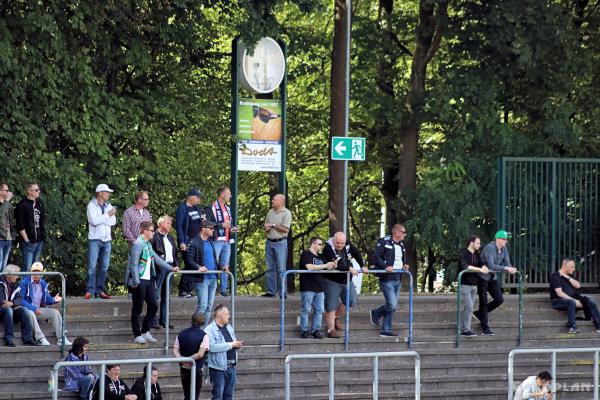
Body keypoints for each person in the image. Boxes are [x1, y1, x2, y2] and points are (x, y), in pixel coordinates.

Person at [126, 221, 178, 344]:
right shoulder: (138, 244)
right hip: (139, 280)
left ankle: (145, 331)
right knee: (137, 308)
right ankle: (137, 334)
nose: (153, 233)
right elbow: (133, 264)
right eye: (151, 230)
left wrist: (171, 268)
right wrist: (136, 281)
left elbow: (158, 259)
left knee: (154, 305)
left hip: (148, 279)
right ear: (144, 231)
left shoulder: (147, 245)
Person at [369, 224, 410, 337]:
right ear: (396, 232)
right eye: (403, 232)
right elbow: (376, 256)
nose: (405, 234)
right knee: (391, 305)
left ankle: (386, 330)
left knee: (393, 306)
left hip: (398, 277)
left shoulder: (402, 245)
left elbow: (399, 260)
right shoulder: (384, 242)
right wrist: (385, 266)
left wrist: (404, 266)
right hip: (387, 278)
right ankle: (375, 313)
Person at [476, 230, 518, 335]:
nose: (506, 242)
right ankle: (485, 328)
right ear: (498, 239)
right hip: (482, 277)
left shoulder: (504, 249)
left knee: (500, 299)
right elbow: (491, 266)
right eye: (504, 239)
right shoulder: (490, 248)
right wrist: (506, 268)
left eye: (506, 240)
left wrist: (511, 268)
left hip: (492, 277)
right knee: (484, 301)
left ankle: (480, 314)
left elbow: (507, 263)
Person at [322, 232, 363, 338]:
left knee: (351, 301)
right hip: (332, 280)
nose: (340, 245)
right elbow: (335, 265)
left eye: (342, 243)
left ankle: (336, 317)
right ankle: (331, 329)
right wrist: (349, 268)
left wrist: (363, 265)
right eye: (337, 243)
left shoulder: (348, 245)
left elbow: (357, 254)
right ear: (333, 240)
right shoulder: (328, 248)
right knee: (331, 304)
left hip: (347, 280)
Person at [20, 262, 71, 345]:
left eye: (38, 272)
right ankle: (40, 338)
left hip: (38, 310)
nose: (36, 274)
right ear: (31, 272)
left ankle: (61, 339)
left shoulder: (43, 283)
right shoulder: (24, 282)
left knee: (55, 312)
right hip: (27, 310)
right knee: (30, 313)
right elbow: (20, 300)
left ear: (42, 273)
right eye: (34, 272)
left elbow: (46, 299)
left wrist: (54, 300)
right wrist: (33, 309)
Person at [184, 220, 223, 325]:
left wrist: (222, 267)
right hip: (202, 279)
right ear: (203, 228)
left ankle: (203, 330)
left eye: (213, 228)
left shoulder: (210, 242)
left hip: (213, 278)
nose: (213, 230)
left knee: (209, 306)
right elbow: (188, 259)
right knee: (203, 305)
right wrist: (198, 267)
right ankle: (195, 329)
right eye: (210, 228)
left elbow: (214, 260)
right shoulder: (193, 241)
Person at [550, 258, 600, 334]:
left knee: (590, 301)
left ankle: (598, 325)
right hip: (558, 301)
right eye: (572, 267)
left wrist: (567, 277)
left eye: (574, 267)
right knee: (571, 302)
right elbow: (560, 293)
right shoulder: (555, 276)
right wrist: (575, 301)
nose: (574, 269)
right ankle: (572, 327)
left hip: (573, 298)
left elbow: (578, 286)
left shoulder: (569, 276)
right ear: (564, 266)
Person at [298, 237, 335, 339]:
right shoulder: (306, 254)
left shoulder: (320, 257)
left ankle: (315, 330)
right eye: (319, 244)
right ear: (313, 244)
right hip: (308, 286)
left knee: (319, 310)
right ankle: (304, 331)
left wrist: (333, 264)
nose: (321, 246)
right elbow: (310, 267)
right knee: (306, 309)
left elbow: (327, 267)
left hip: (319, 287)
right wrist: (325, 265)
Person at [205, 185, 238, 297]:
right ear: (222, 194)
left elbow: (229, 224)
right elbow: (206, 223)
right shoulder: (211, 207)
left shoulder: (228, 208)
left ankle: (223, 289)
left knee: (225, 265)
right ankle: (211, 288)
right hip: (216, 240)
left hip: (227, 241)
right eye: (228, 194)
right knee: (212, 263)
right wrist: (221, 225)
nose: (230, 196)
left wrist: (233, 228)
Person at [86, 184, 117, 300]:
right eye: (107, 192)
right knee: (92, 266)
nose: (109, 194)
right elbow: (93, 221)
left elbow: (113, 222)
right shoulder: (91, 205)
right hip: (94, 239)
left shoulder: (109, 205)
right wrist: (107, 216)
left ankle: (99, 290)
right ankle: (90, 290)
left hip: (107, 239)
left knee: (104, 267)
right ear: (100, 193)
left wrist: (102, 219)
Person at [206, 304, 242, 400]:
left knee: (229, 396)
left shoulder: (229, 327)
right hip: (218, 369)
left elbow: (232, 342)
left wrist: (237, 345)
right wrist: (231, 345)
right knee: (218, 396)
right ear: (219, 315)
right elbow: (212, 347)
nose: (229, 316)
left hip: (231, 367)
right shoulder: (209, 330)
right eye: (226, 314)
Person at [175, 188, 207, 297]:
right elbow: (179, 226)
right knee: (189, 263)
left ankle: (188, 289)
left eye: (199, 197)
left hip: (197, 241)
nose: (199, 199)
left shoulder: (197, 207)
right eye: (197, 197)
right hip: (187, 241)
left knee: (195, 264)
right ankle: (183, 290)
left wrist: (202, 220)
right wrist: (181, 241)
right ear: (190, 196)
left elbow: (199, 222)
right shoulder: (182, 208)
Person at [150, 215, 179, 329]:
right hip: (159, 268)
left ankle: (164, 320)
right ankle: (153, 320)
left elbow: (174, 253)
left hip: (170, 268)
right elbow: (153, 254)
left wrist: (175, 265)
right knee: (156, 295)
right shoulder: (154, 236)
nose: (170, 226)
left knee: (167, 296)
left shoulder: (171, 237)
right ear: (161, 224)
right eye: (168, 223)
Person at [173, 311, 209, 400]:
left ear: (192, 320)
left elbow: (175, 350)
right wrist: (190, 360)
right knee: (194, 397)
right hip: (196, 369)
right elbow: (200, 354)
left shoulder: (181, 333)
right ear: (203, 322)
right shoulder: (204, 336)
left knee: (187, 395)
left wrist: (182, 359)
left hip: (184, 369)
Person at [457, 235, 488, 337]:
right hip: (465, 284)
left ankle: (466, 329)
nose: (479, 245)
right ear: (472, 243)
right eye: (478, 243)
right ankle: (465, 330)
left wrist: (483, 266)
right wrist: (480, 270)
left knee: (470, 307)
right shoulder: (463, 253)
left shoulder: (476, 254)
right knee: (469, 307)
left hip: (474, 285)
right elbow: (466, 266)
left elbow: (482, 263)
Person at [263, 193, 292, 297]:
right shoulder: (270, 212)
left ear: (280, 201)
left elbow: (286, 229)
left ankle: (283, 292)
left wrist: (273, 225)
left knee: (281, 269)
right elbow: (266, 225)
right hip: (269, 242)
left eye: (274, 200)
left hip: (281, 243)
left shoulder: (287, 213)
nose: (272, 201)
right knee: (270, 268)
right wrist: (266, 228)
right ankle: (271, 291)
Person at [0, 264, 35, 346]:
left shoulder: (15, 284)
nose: (17, 277)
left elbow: (19, 298)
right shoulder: (0, 281)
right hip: (1, 309)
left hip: (10, 308)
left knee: (24, 310)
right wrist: (4, 303)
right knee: (8, 310)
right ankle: (9, 339)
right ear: (9, 274)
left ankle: (28, 339)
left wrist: (12, 303)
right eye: (16, 274)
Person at [15, 182, 45, 271]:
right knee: (27, 268)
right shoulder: (22, 205)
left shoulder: (40, 203)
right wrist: (26, 239)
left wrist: (42, 237)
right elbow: (19, 224)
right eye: (36, 190)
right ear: (29, 191)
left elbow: (42, 220)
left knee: (36, 268)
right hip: (28, 242)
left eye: (38, 189)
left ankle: (33, 285)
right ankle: (25, 285)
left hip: (39, 241)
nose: (39, 191)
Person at [0, 182, 16, 271]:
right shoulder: (6, 203)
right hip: (0, 239)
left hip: (8, 239)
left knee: (4, 268)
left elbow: (12, 220)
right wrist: (6, 201)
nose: (8, 192)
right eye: (6, 190)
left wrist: (12, 235)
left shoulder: (8, 205)